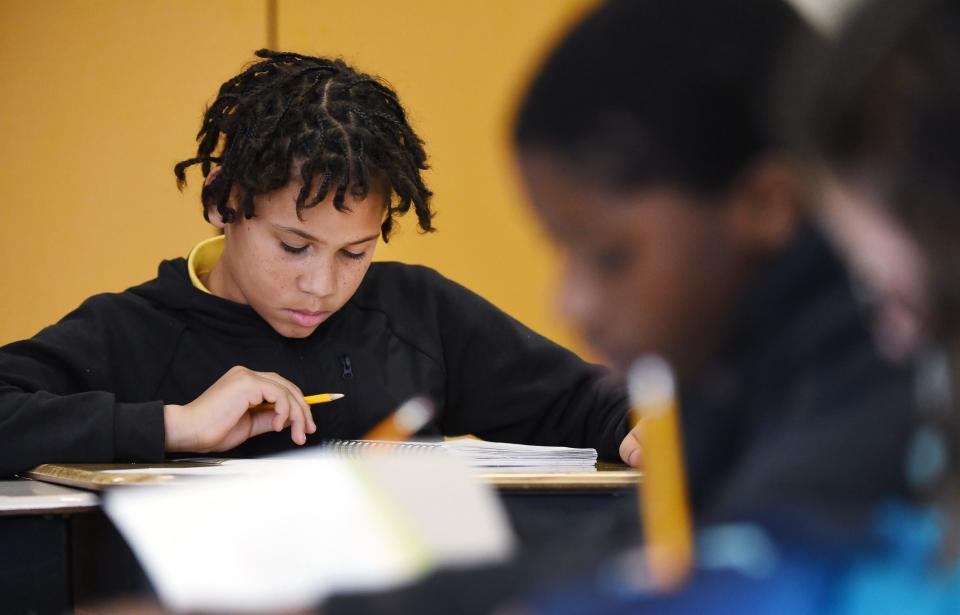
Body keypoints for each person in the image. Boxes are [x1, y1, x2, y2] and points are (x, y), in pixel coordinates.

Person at [0, 49, 635, 478]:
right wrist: (175, 426)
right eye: (293, 246)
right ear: (223, 200)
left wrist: (644, 429)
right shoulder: (132, 331)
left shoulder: (418, 312)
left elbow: (586, 404)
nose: (321, 286)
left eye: (355, 253)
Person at [511, 0, 913, 532]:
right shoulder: (726, 381)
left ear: (769, 204)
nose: (571, 305)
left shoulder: (875, 410)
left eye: (610, 257)